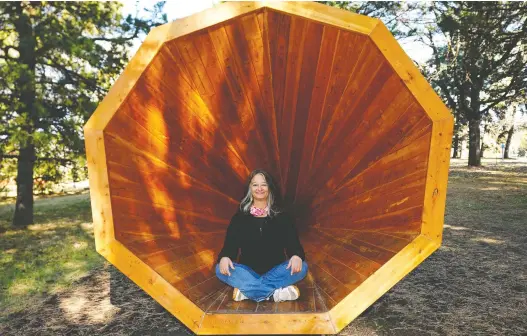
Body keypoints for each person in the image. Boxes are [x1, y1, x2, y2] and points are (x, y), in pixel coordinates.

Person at [215, 169, 308, 302]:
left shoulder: (282, 216)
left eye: (263, 184)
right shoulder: (240, 218)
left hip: (276, 271)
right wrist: (224, 257)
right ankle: (274, 294)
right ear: (250, 189)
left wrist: (296, 255)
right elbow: (230, 247)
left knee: (303, 267)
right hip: (247, 272)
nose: (260, 188)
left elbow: (294, 245)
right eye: (255, 185)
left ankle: (249, 292)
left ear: (269, 187)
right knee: (220, 269)